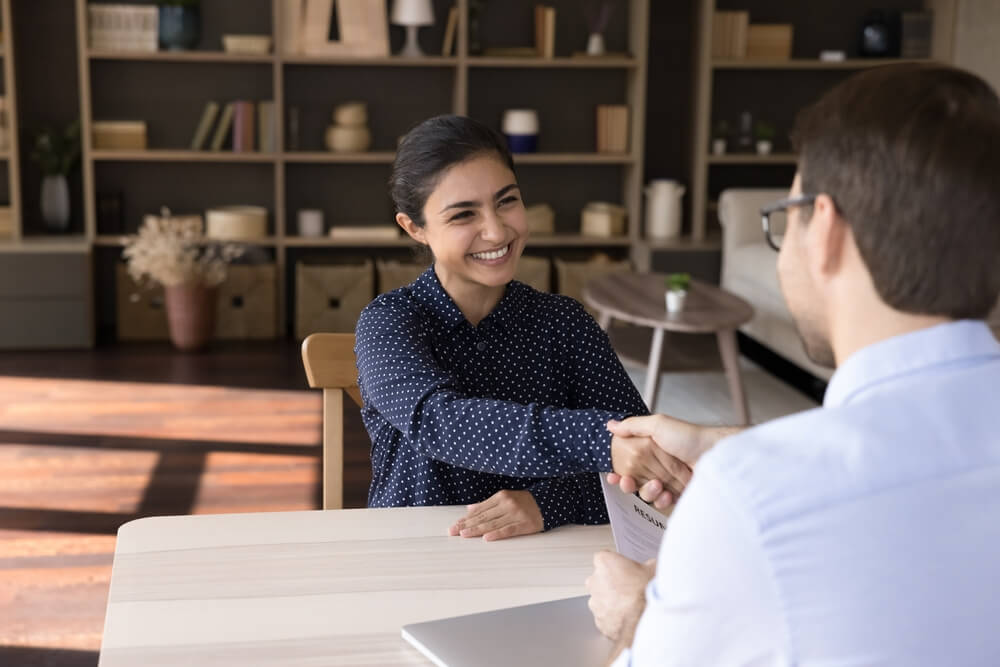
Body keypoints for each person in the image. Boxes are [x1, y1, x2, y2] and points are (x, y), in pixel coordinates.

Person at [587, 63, 1000, 665]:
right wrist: (726, 443)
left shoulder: (755, 500)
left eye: (786, 217)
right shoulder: (755, 479)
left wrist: (639, 617)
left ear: (824, 229)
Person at [354, 115, 684, 541]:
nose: (496, 230)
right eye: (463, 215)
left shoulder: (566, 324)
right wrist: (605, 445)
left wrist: (546, 504)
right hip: (412, 555)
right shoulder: (388, 322)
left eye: (506, 200)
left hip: (546, 557)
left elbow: (642, 467)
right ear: (415, 228)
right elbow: (442, 421)